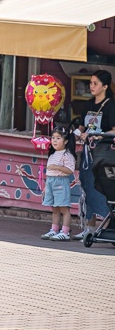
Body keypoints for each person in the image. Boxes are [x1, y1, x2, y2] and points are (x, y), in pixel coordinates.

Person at [73, 70, 115, 240]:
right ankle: (89, 227)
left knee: (102, 188)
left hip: (103, 154)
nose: (91, 86)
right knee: (87, 188)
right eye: (90, 83)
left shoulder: (111, 105)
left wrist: (99, 136)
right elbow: (83, 126)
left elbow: (114, 130)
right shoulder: (88, 105)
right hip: (87, 153)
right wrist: (77, 132)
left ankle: (105, 226)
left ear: (105, 86)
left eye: (95, 83)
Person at [41, 127, 77, 241]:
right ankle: (54, 229)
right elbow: (49, 172)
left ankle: (65, 232)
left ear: (66, 141)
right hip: (51, 181)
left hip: (61, 182)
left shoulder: (67, 155)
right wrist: (46, 186)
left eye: (58, 138)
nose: (54, 141)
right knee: (55, 208)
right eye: (53, 138)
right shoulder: (52, 154)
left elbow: (70, 170)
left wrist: (57, 167)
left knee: (64, 209)